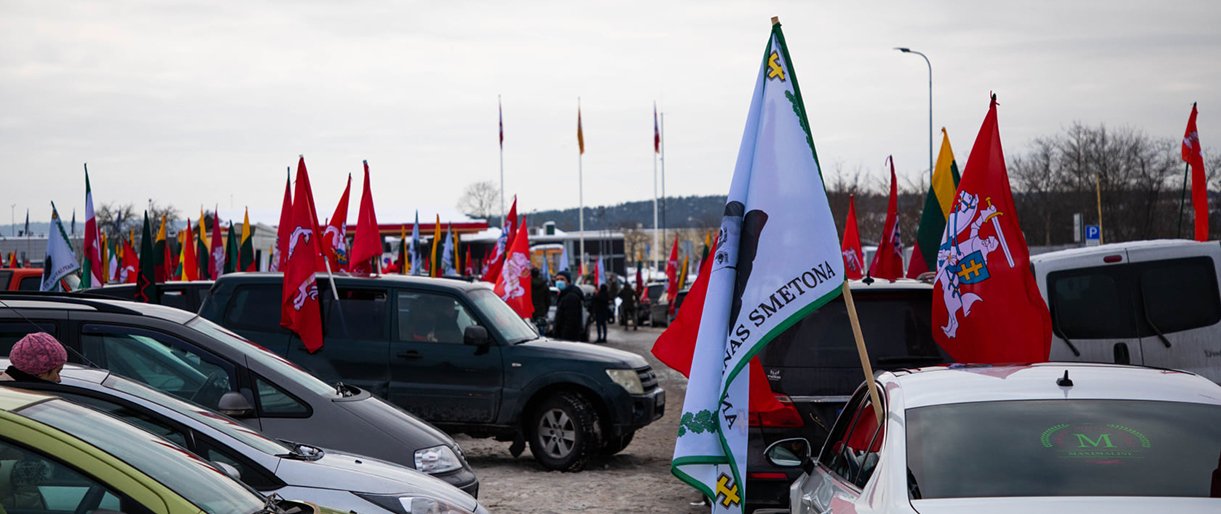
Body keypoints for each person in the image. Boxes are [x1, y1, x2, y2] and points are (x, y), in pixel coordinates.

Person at [1, 332, 67, 384]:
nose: (59, 379)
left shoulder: (8, 387)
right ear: (41, 372)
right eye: (57, 372)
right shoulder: (23, 393)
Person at [553, 271, 585, 341]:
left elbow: (571, 321)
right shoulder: (564, 295)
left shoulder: (571, 297)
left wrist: (564, 339)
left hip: (567, 338)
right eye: (557, 279)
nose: (559, 281)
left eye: (562, 279)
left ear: (568, 282)